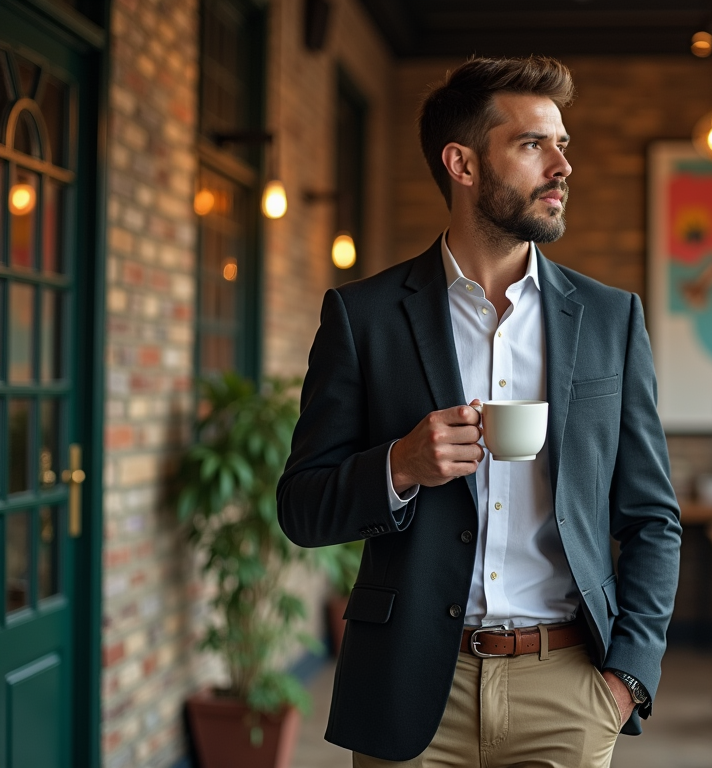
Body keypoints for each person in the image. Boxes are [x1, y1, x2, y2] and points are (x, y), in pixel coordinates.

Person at [277, 55, 681, 768]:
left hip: (568, 688)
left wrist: (628, 680)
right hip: (407, 690)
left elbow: (652, 517)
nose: (561, 165)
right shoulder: (362, 317)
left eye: (564, 144)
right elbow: (302, 509)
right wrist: (399, 466)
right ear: (462, 165)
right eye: (533, 144)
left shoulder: (611, 319)